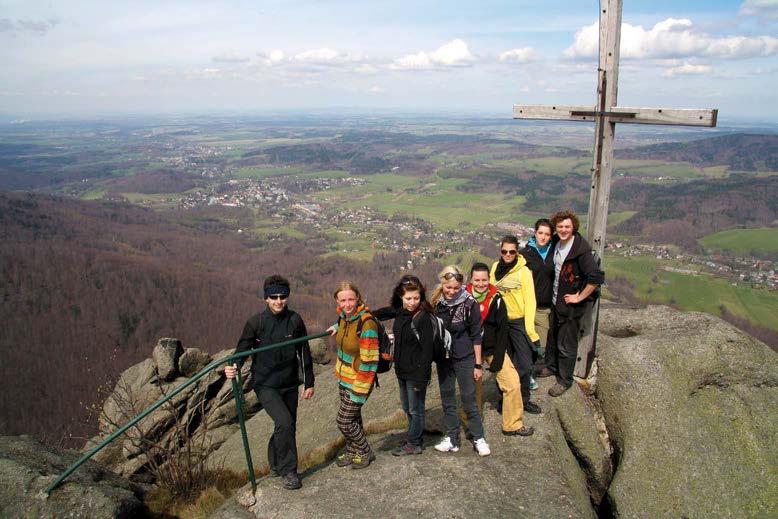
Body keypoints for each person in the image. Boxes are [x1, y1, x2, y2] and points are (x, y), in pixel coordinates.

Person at [225, 275, 315, 491]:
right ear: (266, 298)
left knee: (287, 425)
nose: (278, 301)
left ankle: (275, 464)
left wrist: (308, 381)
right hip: (265, 384)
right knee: (285, 423)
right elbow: (242, 351)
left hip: (290, 382)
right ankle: (289, 471)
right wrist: (232, 366)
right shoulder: (257, 323)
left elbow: (303, 351)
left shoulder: (295, 320)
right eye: (273, 296)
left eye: (282, 296)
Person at [537, 210, 605, 397]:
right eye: (560, 227)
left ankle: (565, 380)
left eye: (567, 226)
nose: (564, 229)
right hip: (556, 301)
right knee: (553, 338)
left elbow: (595, 277)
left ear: (573, 227)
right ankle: (551, 367)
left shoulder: (580, 250)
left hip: (571, 307)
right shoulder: (557, 244)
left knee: (566, 345)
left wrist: (579, 297)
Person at [431, 265, 491, 456]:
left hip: (465, 357)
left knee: (469, 400)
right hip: (444, 360)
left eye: (456, 288)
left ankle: (479, 437)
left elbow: (476, 335)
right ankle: (452, 438)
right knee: (448, 400)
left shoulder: (469, 303)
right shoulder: (436, 304)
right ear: (442, 285)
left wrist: (478, 364)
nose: (452, 291)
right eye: (448, 287)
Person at [469, 262, 534, 436]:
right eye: (477, 280)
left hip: (491, 348)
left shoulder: (496, 299)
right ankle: (472, 425)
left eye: (484, 280)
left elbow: (502, 329)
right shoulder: (464, 298)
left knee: (512, 383)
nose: (481, 284)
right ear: (471, 280)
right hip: (470, 350)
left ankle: (512, 424)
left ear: (489, 279)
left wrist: (498, 357)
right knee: (471, 388)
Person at [328, 281, 379, 469]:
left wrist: (360, 389)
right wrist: (336, 326)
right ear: (337, 301)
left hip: (359, 381)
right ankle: (352, 451)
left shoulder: (367, 323)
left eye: (351, 299)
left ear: (358, 298)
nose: (347, 304)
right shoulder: (344, 318)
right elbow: (345, 323)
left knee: (344, 420)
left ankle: (365, 451)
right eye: (343, 300)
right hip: (344, 378)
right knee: (354, 418)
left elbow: (370, 360)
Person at [489, 236, 542, 415]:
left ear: (517, 252)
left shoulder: (524, 272)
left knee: (525, 365)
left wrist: (530, 330)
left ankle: (524, 399)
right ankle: (505, 398)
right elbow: (490, 293)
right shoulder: (495, 268)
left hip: (518, 322)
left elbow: (530, 301)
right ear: (500, 251)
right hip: (501, 323)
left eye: (512, 251)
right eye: (505, 251)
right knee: (504, 364)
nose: (508, 254)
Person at [388, 275, 436, 456]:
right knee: (408, 407)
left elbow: (427, 351)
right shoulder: (401, 312)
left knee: (416, 409)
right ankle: (413, 436)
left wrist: (423, 377)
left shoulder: (423, 318)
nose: (412, 302)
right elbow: (383, 312)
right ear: (401, 297)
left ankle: (415, 443)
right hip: (402, 370)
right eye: (408, 298)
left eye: (416, 298)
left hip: (416, 372)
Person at [520, 219, 555, 385]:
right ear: (535, 233)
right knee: (525, 343)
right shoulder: (525, 253)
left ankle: (534, 371)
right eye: (540, 233)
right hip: (526, 305)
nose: (543, 237)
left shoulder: (555, 251)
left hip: (543, 307)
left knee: (540, 345)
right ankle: (527, 375)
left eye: (547, 234)